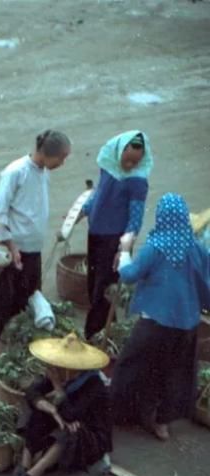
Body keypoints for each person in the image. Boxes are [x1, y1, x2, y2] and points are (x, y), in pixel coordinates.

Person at [110, 193, 210, 440]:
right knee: (175, 372)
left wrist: (124, 251)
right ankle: (162, 422)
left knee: (131, 366)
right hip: (186, 324)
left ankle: (119, 414)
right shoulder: (195, 247)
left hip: (155, 322)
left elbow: (129, 275)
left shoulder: (156, 247)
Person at [0, 130, 72, 367]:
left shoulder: (43, 172)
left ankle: (12, 336)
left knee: (26, 295)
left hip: (32, 247)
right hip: (11, 247)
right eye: (61, 158)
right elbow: (0, 213)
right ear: (48, 154)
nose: (62, 163)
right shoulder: (16, 172)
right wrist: (11, 245)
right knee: (0, 297)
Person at [4, 334, 112, 476]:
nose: (55, 368)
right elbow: (32, 391)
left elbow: (71, 414)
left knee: (69, 431)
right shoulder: (63, 375)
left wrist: (58, 389)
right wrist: (48, 406)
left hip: (91, 436)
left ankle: (34, 474)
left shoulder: (94, 385)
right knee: (39, 409)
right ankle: (24, 464)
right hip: (65, 418)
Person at [78, 131, 153, 339]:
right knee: (94, 284)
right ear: (119, 151)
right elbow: (98, 195)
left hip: (114, 241)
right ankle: (109, 329)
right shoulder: (109, 166)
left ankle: (93, 334)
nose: (129, 165)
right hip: (95, 234)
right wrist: (81, 212)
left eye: (134, 162)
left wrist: (124, 249)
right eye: (127, 159)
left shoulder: (137, 182)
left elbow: (135, 219)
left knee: (104, 288)